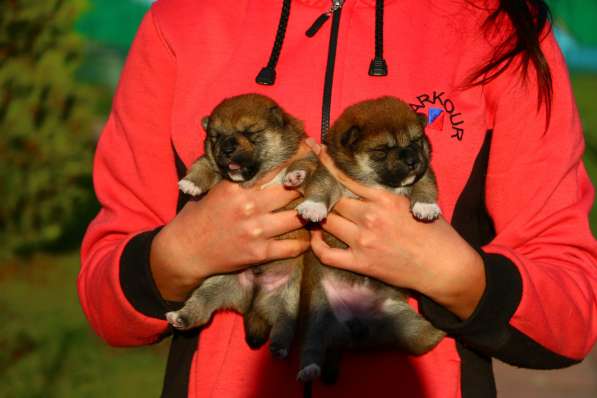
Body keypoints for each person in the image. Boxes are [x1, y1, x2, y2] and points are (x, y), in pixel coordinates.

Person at [78, 0, 597, 397]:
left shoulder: (498, 25)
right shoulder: (183, 21)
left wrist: (458, 276)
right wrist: (177, 255)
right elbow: (104, 297)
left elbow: (571, 313)